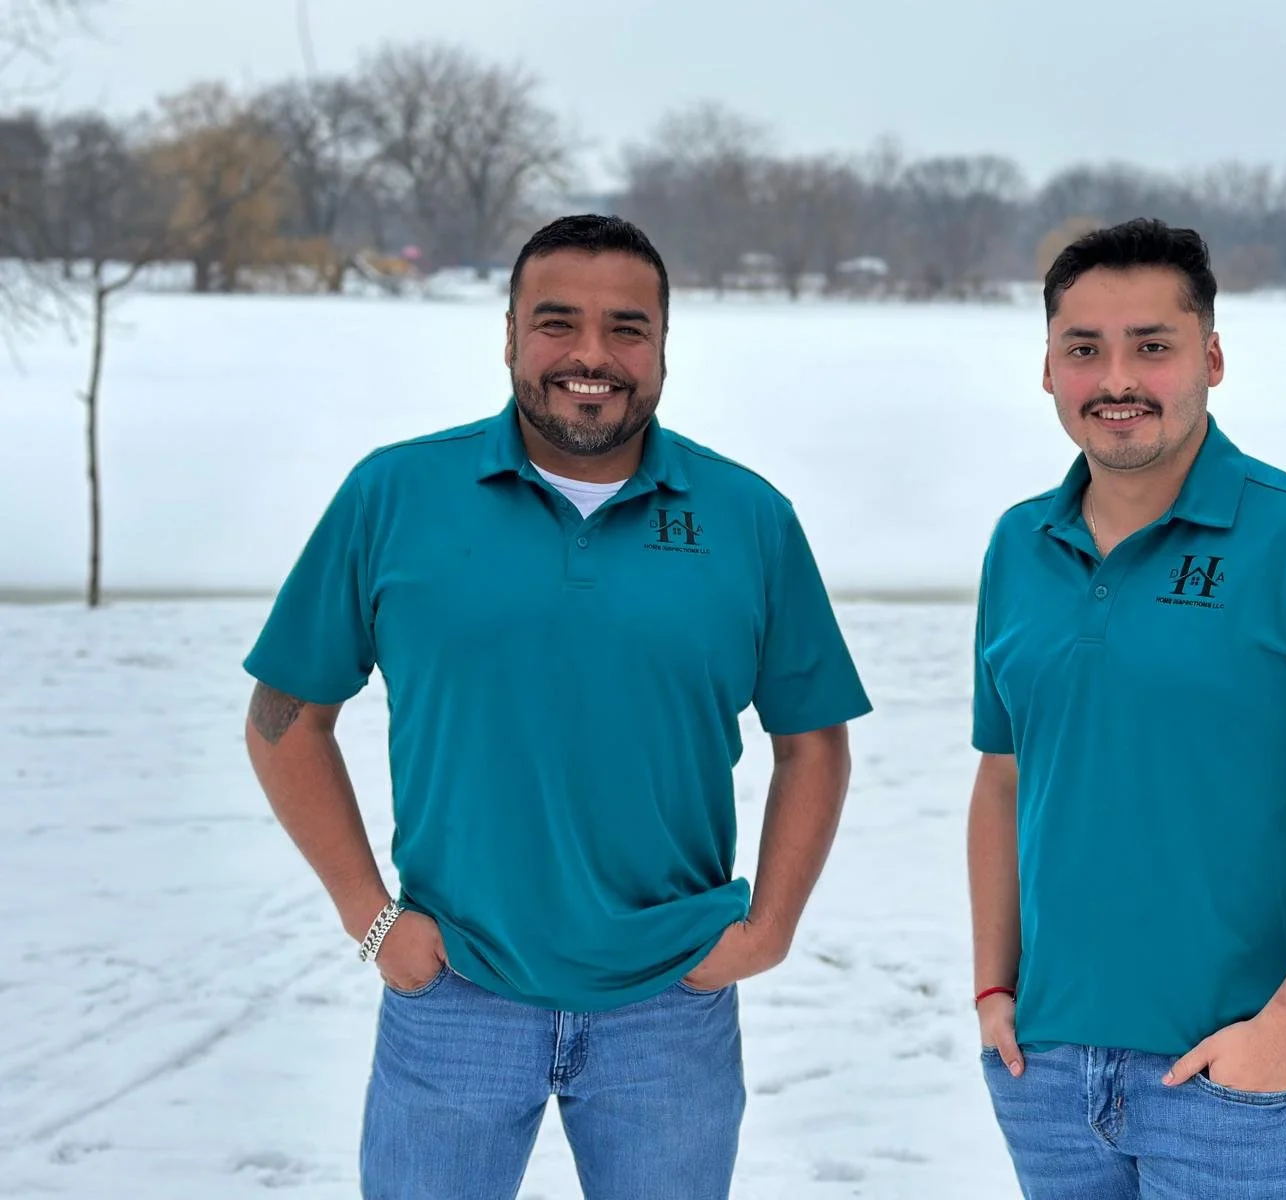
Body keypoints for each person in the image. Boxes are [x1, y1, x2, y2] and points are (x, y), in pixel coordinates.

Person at [242, 214, 872, 1200]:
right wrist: (371, 919)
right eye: (556, 323)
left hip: (669, 999)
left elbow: (812, 743)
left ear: (664, 345)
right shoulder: (395, 496)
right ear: (506, 336)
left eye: (627, 327)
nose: (591, 355)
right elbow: (283, 715)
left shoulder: (748, 517)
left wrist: (772, 926)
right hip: (454, 987)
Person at [966, 218, 1286, 1199]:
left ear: (1212, 358)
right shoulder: (1018, 547)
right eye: (1084, 349)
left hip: (1231, 1084)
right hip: (1047, 1073)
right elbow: (1003, 779)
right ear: (1048, 369)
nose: (1118, 379)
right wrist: (993, 991)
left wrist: (1284, 1035)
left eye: (1153, 345)